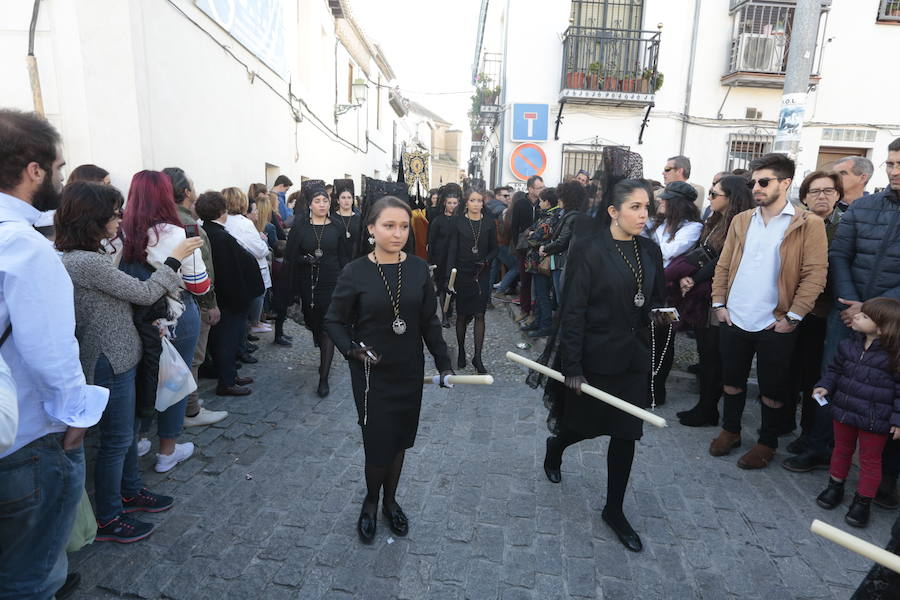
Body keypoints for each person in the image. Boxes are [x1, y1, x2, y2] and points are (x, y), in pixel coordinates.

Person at [0, 108, 109, 599]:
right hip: (23, 437)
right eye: (60, 167)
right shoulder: (23, 246)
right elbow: (49, 348)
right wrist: (75, 416)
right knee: (29, 575)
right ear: (34, 170)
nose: (62, 178)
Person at [56, 181, 200, 542]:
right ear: (94, 218)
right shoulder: (86, 262)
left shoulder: (87, 257)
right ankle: (109, 516)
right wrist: (174, 258)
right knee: (117, 441)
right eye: (114, 211)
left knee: (128, 435)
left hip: (119, 355)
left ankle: (130, 490)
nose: (121, 216)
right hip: (110, 360)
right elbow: (145, 292)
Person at [543, 179, 666, 553]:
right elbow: (574, 311)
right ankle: (556, 445)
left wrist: (660, 315)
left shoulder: (649, 249)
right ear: (613, 212)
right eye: (635, 207)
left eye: (647, 207)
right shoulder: (590, 250)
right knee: (585, 425)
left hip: (633, 358)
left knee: (626, 433)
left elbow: (652, 299)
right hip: (595, 357)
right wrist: (573, 366)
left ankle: (614, 510)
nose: (645, 215)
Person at [324, 196, 453, 545]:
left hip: (408, 371)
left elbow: (428, 320)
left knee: (399, 442)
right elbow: (333, 321)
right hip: (370, 375)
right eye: (388, 226)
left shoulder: (417, 268)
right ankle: (370, 501)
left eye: (402, 226)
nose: (398, 233)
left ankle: (390, 501)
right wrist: (352, 349)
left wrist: (443, 362)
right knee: (377, 444)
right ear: (371, 229)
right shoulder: (355, 272)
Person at [709, 153, 828, 469]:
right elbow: (724, 264)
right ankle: (730, 430)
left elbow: (815, 273)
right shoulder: (742, 220)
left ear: (785, 183)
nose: (756, 187)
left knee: (774, 390)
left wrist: (794, 317)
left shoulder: (808, 223)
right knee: (731, 381)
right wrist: (719, 304)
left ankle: (767, 442)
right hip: (735, 315)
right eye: (752, 182)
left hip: (776, 321)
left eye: (764, 182)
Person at [821, 138, 900, 506]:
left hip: (893, 322)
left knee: (887, 396)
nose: (895, 170)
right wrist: (854, 305)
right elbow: (840, 254)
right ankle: (829, 463)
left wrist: (871, 308)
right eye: (890, 164)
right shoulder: (865, 206)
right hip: (848, 311)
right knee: (838, 380)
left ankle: (881, 483)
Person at [120, 170, 210, 473]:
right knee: (174, 379)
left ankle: (137, 439)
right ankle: (167, 451)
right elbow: (199, 285)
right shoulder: (175, 233)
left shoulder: (121, 231)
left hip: (135, 312)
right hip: (176, 314)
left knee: (139, 377)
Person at [814, 297, 900, 528]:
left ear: (882, 327)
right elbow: (834, 370)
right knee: (841, 449)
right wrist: (826, 385)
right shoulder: (848, 344)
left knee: (870, 460)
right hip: (844, 410)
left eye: (864, 316)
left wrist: (897, 420)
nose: (856, 317)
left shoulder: (894, 356)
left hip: (876, 418)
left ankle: (863, 501)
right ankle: (835, 486)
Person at [676, 176, 755, 427]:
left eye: (714, 193)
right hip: (703, 295)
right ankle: (705, 406)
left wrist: (693, 277)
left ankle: (708, 409)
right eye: (709, 192)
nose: (709, 197)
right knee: (706, 354)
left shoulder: (741, 224)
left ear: (731, 197)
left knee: (713, 356)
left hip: (721, 297)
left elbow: (724, 260)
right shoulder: (717, 220)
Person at [782, 170, 846, 471]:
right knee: (794, 372)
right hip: (796, 311)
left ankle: (813, 438)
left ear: (838, 195)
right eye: (815, 191)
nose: (822, 196)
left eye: (829, 191)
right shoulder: (797, 224)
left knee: (816, 378)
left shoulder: (844, 228)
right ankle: (799, 431)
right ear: (804, 196)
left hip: (826, 314)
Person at [163, 167, 228, 428]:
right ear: (187, 192)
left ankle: (181, 408)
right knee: (192, 359)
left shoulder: (157, 220)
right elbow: (202, 273)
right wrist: (210, 304)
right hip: (188, 301)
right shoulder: (187, 227)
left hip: (163, 302)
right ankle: (190, 410)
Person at [284, 184, 350, 397]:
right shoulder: (301, 227)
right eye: (317, 201)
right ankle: (322, 348)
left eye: (325, 201)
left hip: (333, 281)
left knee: (327, 328)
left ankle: (324, 378)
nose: (322, 204)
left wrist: (347, 283)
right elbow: (291, 256)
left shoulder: (337, 226)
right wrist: (304, 259)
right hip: (308, 282)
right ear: (310, 205)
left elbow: (343, 257)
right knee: (314, 323)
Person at [197, 191, 264, 396]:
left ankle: (231, 375)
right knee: (227, 341)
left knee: (228, 340)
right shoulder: (219, 236)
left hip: (225, 298)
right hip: (230, 300)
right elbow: (230, 271)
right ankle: (226, 382)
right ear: (222, 211)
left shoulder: (209, 231)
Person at [646, 181, 702, 407]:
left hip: (671, 297)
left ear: (677, 203)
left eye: (665, 198)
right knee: (649, 340)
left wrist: (649, 241)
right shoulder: (660, 224)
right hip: (652, 289)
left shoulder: (692, 227)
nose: (660, 200)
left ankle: (656, 392)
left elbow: (668, 250)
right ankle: (645, 386)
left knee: (664, 341)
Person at [446, 188, 498, 373]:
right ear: (466, 203)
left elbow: (495, 249)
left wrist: (486, 261)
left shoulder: (490, 222)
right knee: (461, 315)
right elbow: (452, 250)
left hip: (481, 273)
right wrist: (448, 278)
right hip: (462, 273)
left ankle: (478, 357)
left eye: (479, 200)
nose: (476, 204)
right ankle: (461, 351)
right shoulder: (457, 222)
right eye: (472, 200)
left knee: (479, 315)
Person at [223, 187, 271, 341]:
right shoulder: (243, 223)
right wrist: (263, 241)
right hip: (247, 270)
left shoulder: (219, 221)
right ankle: (243, 341)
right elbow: (260, 250)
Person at [523, 187, 561, 338]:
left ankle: (544, 325)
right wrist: (532, 233)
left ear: (547, 202)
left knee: (542, 294)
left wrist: (532, 235)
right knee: (539, 294)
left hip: (541, 261)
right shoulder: (546, 215)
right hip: (537, 261)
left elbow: (533, 238)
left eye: (541, 201)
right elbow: (530, 231)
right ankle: (537, 321)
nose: (538, 204)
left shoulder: (551, 217)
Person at [541, 181, 587, 302]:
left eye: (561, 197)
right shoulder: (570, 215)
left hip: (562, 263)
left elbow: (562, 241)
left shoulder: (572, 216)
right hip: (562, 262)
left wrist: (545, 248)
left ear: (569, 198)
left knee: (562, 300)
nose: (558, 199)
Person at [510, 176, 545, 325]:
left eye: (543, 187)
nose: (542, 190)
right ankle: (525, 310)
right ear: (530, 189)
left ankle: (535, 313)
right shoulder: (520, 204)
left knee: (538, 283)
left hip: (539, 250)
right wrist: (517, 244)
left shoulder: (543, 204)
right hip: (524, 249)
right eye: (539, 188)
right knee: (524, 281)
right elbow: (513, 227)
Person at [428, 186, 460, 327]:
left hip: (457, 257)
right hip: (440, 258)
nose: (452, 205)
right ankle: (445, 315)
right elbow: (432, 241)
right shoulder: (438, 220)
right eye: (449, 203)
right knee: (442, 286)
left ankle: (450, 307)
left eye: (454, 203)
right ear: (444, 204)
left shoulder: (461, 220)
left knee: (454, 286)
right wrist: (430, 261)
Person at [332, 179, 360, 257]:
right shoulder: (331, 219)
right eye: (343, 198)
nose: (346, 201)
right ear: (338, 200)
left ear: (352, 200)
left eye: (349, 197)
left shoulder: (359, 219)